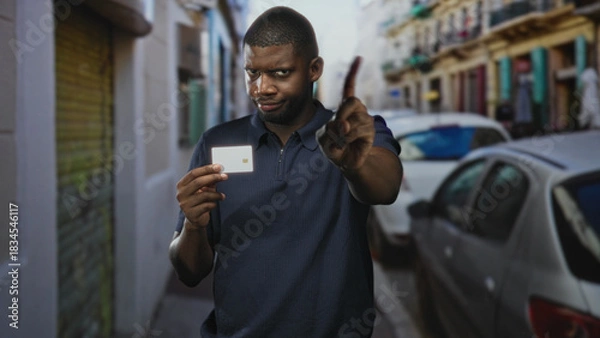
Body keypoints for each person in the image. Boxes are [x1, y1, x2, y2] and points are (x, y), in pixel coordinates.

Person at [169, 6, 403, 338]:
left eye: (280, 73)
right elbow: (190, 272)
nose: (261, 88)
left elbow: (386, 189)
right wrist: (193, 225)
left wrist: (354, 164)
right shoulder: (216, 142)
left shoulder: (351, 133)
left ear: (314, 69)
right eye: (252, 73)